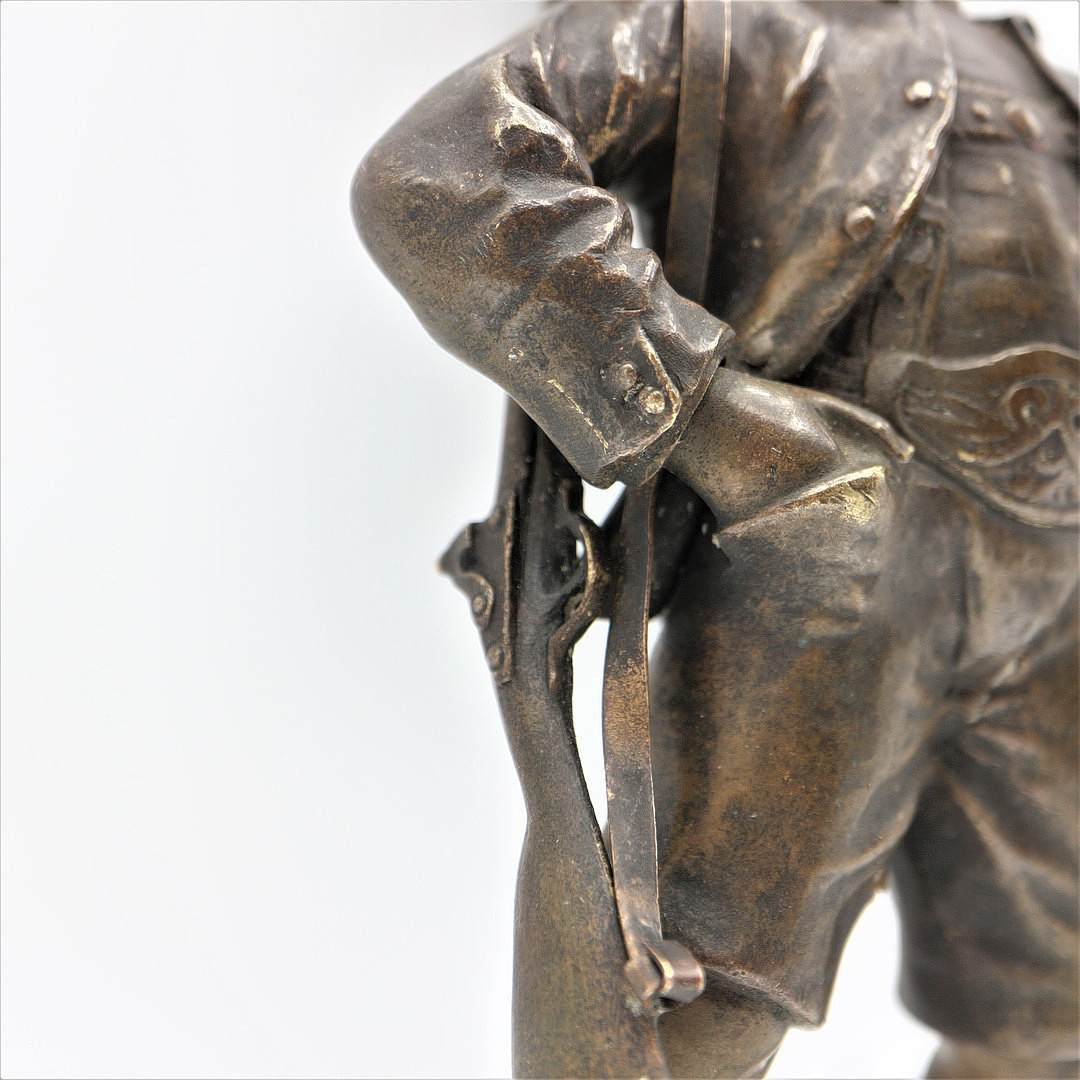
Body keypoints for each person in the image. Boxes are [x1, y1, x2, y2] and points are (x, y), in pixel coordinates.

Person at [353, 2, 1079, 1076]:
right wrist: (710, 419)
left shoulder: (1030, 64)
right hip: (830, 562)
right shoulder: (710, 21)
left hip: (1059, 595)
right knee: (706, 1011)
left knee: (1048, 1018)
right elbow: (435, 173)